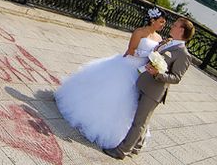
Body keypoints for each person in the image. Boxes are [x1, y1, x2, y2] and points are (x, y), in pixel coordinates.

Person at [54, 9, 168, 149]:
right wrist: (149, 54)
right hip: (127, 67)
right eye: (161, 22)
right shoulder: (139, 32)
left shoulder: (159, 39)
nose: (163, 25)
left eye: (164, 23)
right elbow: (131, 50)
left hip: (141, 72)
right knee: (113, 94)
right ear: (153, 20)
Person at [103, 16, 195, 160]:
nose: (171, 26)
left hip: (154, 92)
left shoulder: (183, 54)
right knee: (142, 119)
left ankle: (121, 151)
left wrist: (158, 74)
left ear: (181, 30)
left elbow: (176, 78)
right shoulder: (169, 42)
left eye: (175, 25)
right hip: (144, 83)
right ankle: (137, 146)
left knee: (139, 122)